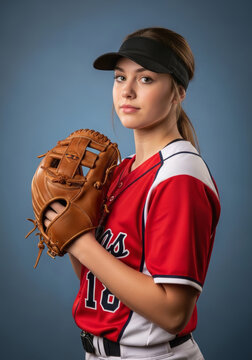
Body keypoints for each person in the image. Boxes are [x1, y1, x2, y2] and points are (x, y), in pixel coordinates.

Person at [44, 27, 221, 359]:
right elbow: (97, 278)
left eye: (146, 79)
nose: (126, 91)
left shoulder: (179, 176)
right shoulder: (121, 170)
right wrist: (72, 230)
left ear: (178, 92)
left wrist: (81, 242)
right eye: (119, 77)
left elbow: (173, 313)